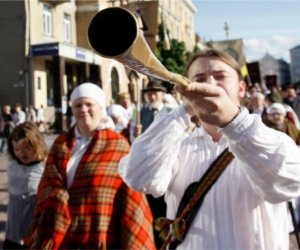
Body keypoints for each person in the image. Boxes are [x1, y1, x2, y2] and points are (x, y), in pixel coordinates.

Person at [119, 49, 300, 249]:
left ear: (241, 88)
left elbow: (288, 184)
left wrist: (233, 121)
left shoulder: (274, 140)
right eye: (199, 78)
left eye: (220, 76)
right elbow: (139, 178)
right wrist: (184, 109)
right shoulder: (176, 144)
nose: (210, 84)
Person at [24, 82, 155, 249]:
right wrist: (58, 198)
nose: (83, 109)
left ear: (101, 108)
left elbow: (131, 200)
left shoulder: (118, 146)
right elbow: (46, 186)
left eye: (89, 104)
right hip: (60, 238)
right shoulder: (60, 144)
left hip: (100, 234)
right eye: (78, 105)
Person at [3, 121, 48, 249]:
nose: (21, 154)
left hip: (35, 235)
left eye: (26, 148)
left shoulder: (45, 167)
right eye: (17, 149)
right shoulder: (13, 165)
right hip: (12, 235)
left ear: (36, 145)